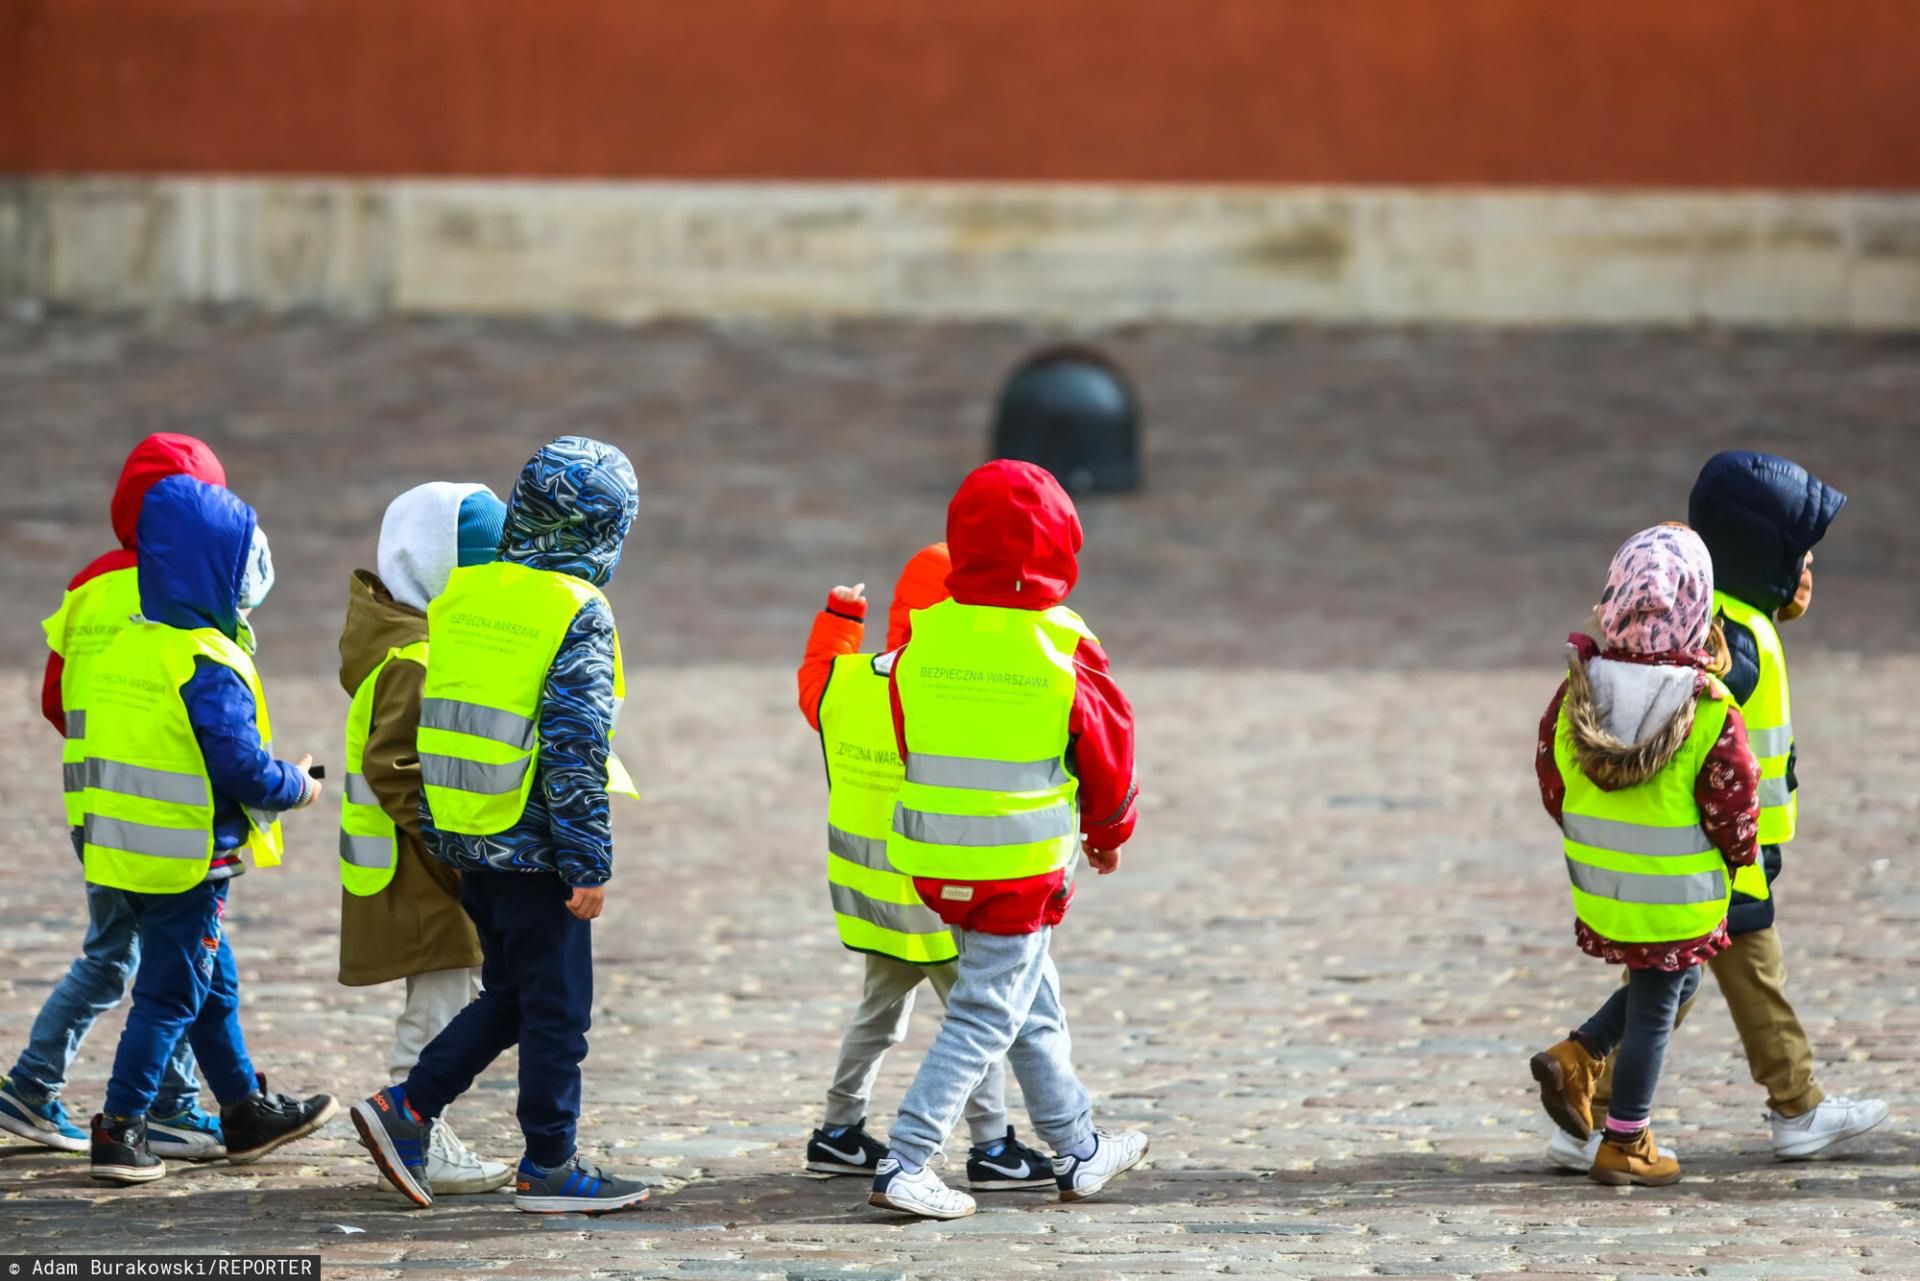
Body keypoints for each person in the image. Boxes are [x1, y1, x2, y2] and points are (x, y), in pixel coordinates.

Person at [350, 437, 649, 1215]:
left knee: (514, 994)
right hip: (536, 844)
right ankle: (550, 1162)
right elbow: (576, 745)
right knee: (558, 1011)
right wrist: (588, 860)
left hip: (466, 839)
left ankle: (407, 1109)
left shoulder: (463, 596)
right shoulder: (578, 610)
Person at [1573, 454, 1888, 1161]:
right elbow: (1718, 703)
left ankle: (1590, 1105)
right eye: (1797, 550)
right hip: (1724, 854)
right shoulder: (1733, 633)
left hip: (1719, 851)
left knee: (1673, 986)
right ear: (1762, 553)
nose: (1808, 567)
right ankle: (1792, 1105)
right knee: (1702, 983)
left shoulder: (1727, 616)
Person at [868, 460, 1146, 1221]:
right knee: (988, 1012)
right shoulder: (1061, 641)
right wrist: (1108, 831)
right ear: (1062, 544)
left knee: (1030, 999)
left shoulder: (930, 631)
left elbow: (906, 732)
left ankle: (1077, 1144)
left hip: (935, 853)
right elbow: (1108, 747)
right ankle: (907, 1157)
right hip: (1021, 863)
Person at [81, 475, 336, 1184]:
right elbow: (244, 771)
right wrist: (301, 785)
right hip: (187, 862)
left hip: (120, 853)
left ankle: (243, 1109)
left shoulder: (130, 645)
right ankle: (121, 1125)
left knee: (210, 985)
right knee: (168, 995)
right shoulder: (208, 661)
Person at [796, 543, 1053, 1191]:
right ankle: (991, 1144)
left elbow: (816, 679)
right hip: (937, 887)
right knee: (975, 1017)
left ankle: (837, 1129)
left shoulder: (849, 682)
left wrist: (838, 619)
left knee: (878, 1014)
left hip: (869, 891)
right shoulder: (949, 687)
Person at [0, 435, 228, 1160]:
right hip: (168, 815)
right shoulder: (187, 583)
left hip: (94, 809)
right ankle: (72, 1092)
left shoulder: (86, 585)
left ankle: (139, 1099)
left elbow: (51, 697)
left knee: (124, 954)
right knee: (169, 957)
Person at [1529, 525, 1759, 1187]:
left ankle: (1580, 1053)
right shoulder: (1706, 706)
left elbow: (1553, 774)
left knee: (1674, 979)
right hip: (1677, 887)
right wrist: (1741, 855)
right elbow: (1732, 801)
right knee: (1660, 1000)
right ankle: (1626, 1137)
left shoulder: (1579, 690)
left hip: (1602, 881)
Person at [337, 481, 513, 1195]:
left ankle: (416, 1124)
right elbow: (397, 764)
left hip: (416, 864)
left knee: (448, 986)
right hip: (421, 868)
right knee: (441, 997)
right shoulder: (417, 657)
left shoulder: (414, 642)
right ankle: (412, 1128)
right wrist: (459, 848)